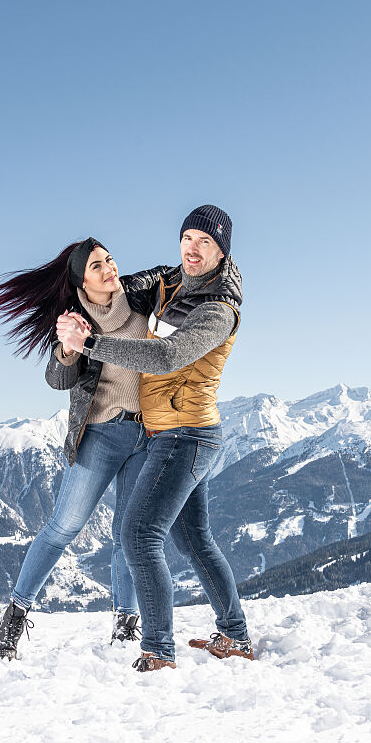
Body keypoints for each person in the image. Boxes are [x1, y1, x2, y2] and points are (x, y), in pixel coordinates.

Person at [56, 205, 254, 672]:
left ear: (221, 251)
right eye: (188, 236)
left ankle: (158, 651)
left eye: (205, 241)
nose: (193, 247)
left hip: (186, 434)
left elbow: (166, 357)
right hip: (172, 430)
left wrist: (91, 346)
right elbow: (120, 288)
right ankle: (235, 635)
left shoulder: (218, 310)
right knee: (195, 540)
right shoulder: (171, 283)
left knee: (139, 534)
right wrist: (81, 307)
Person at [0, 238, 157, 659]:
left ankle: (126, 624)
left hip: (147, 434)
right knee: (63, 528)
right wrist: (67, 348)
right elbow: (58, 380)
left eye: (110, 259)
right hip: (101, 435)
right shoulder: (74, 322)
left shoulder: (140, 294)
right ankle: (15, 616)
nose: (109, 269)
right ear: (82, 280)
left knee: (126, 535)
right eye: (97, 266)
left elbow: (179, 274)